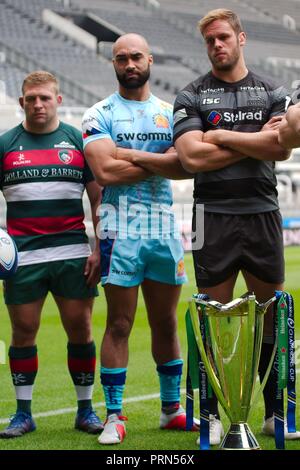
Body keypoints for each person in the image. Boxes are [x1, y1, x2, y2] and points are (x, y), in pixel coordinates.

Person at [173, 9, 300, 444]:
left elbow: (280, 147)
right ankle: (210, 414)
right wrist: (253, 142)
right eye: (209, 40)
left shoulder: (271, 91)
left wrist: (220, 136)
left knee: (272, 316)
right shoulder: (190, 95)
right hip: (211, 214)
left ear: (241, 37)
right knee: (213, 318)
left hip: (263, 210)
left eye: (224, 37)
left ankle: (277, 412)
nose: (217, 46)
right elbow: (191, 158)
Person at [82, 33, 199, 445]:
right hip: (118, 229)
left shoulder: (172, 112)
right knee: (119, 323)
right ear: (113, 64)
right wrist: (160, 162)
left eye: (135, 56)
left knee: (166, 322)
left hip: (162, 229)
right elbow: (105, 174)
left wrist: (128, 154)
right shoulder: (98, 113)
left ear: (149, 59)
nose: (129, 64)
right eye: (121, 59)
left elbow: (187, 166)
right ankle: (114, 415)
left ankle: (171, 410)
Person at [0, 71, 103, 438]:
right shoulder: (6, 144)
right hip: (24, 256)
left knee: (80, 329)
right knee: (23, 331)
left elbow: (98, 197)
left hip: (73, 253)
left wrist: (98, 246)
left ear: (58, 100)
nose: (38, 104)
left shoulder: (78, 141)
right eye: (31, 98)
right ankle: (23, 413)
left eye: (45, 97)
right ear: (22, 101)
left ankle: (86, 410)